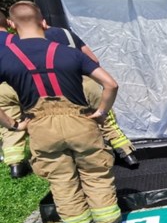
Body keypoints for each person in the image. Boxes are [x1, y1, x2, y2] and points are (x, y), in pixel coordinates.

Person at [0, 1, 122, 223]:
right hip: (80, 123)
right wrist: (100, 112)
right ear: (43, 22)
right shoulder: (69, 52)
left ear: (12, 25)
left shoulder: (5, 58)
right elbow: (111, 84)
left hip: (40, 127)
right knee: (96, 173)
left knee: (61, 179)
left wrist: (13, 125)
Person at [43, 22, 139, 167]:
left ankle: (94, 160)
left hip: (64, 87)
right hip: (87, 82)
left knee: (79, 122)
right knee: (106, 119)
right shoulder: (66, 33)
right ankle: (127, 154)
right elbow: (92, 59)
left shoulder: (31, 42)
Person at [0, 10, 31, 178]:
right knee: (35, 115)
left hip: (1, 90)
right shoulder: (18, 40)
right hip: (21, 83)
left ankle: (15, 165)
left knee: (10, 124)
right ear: (9, 23)